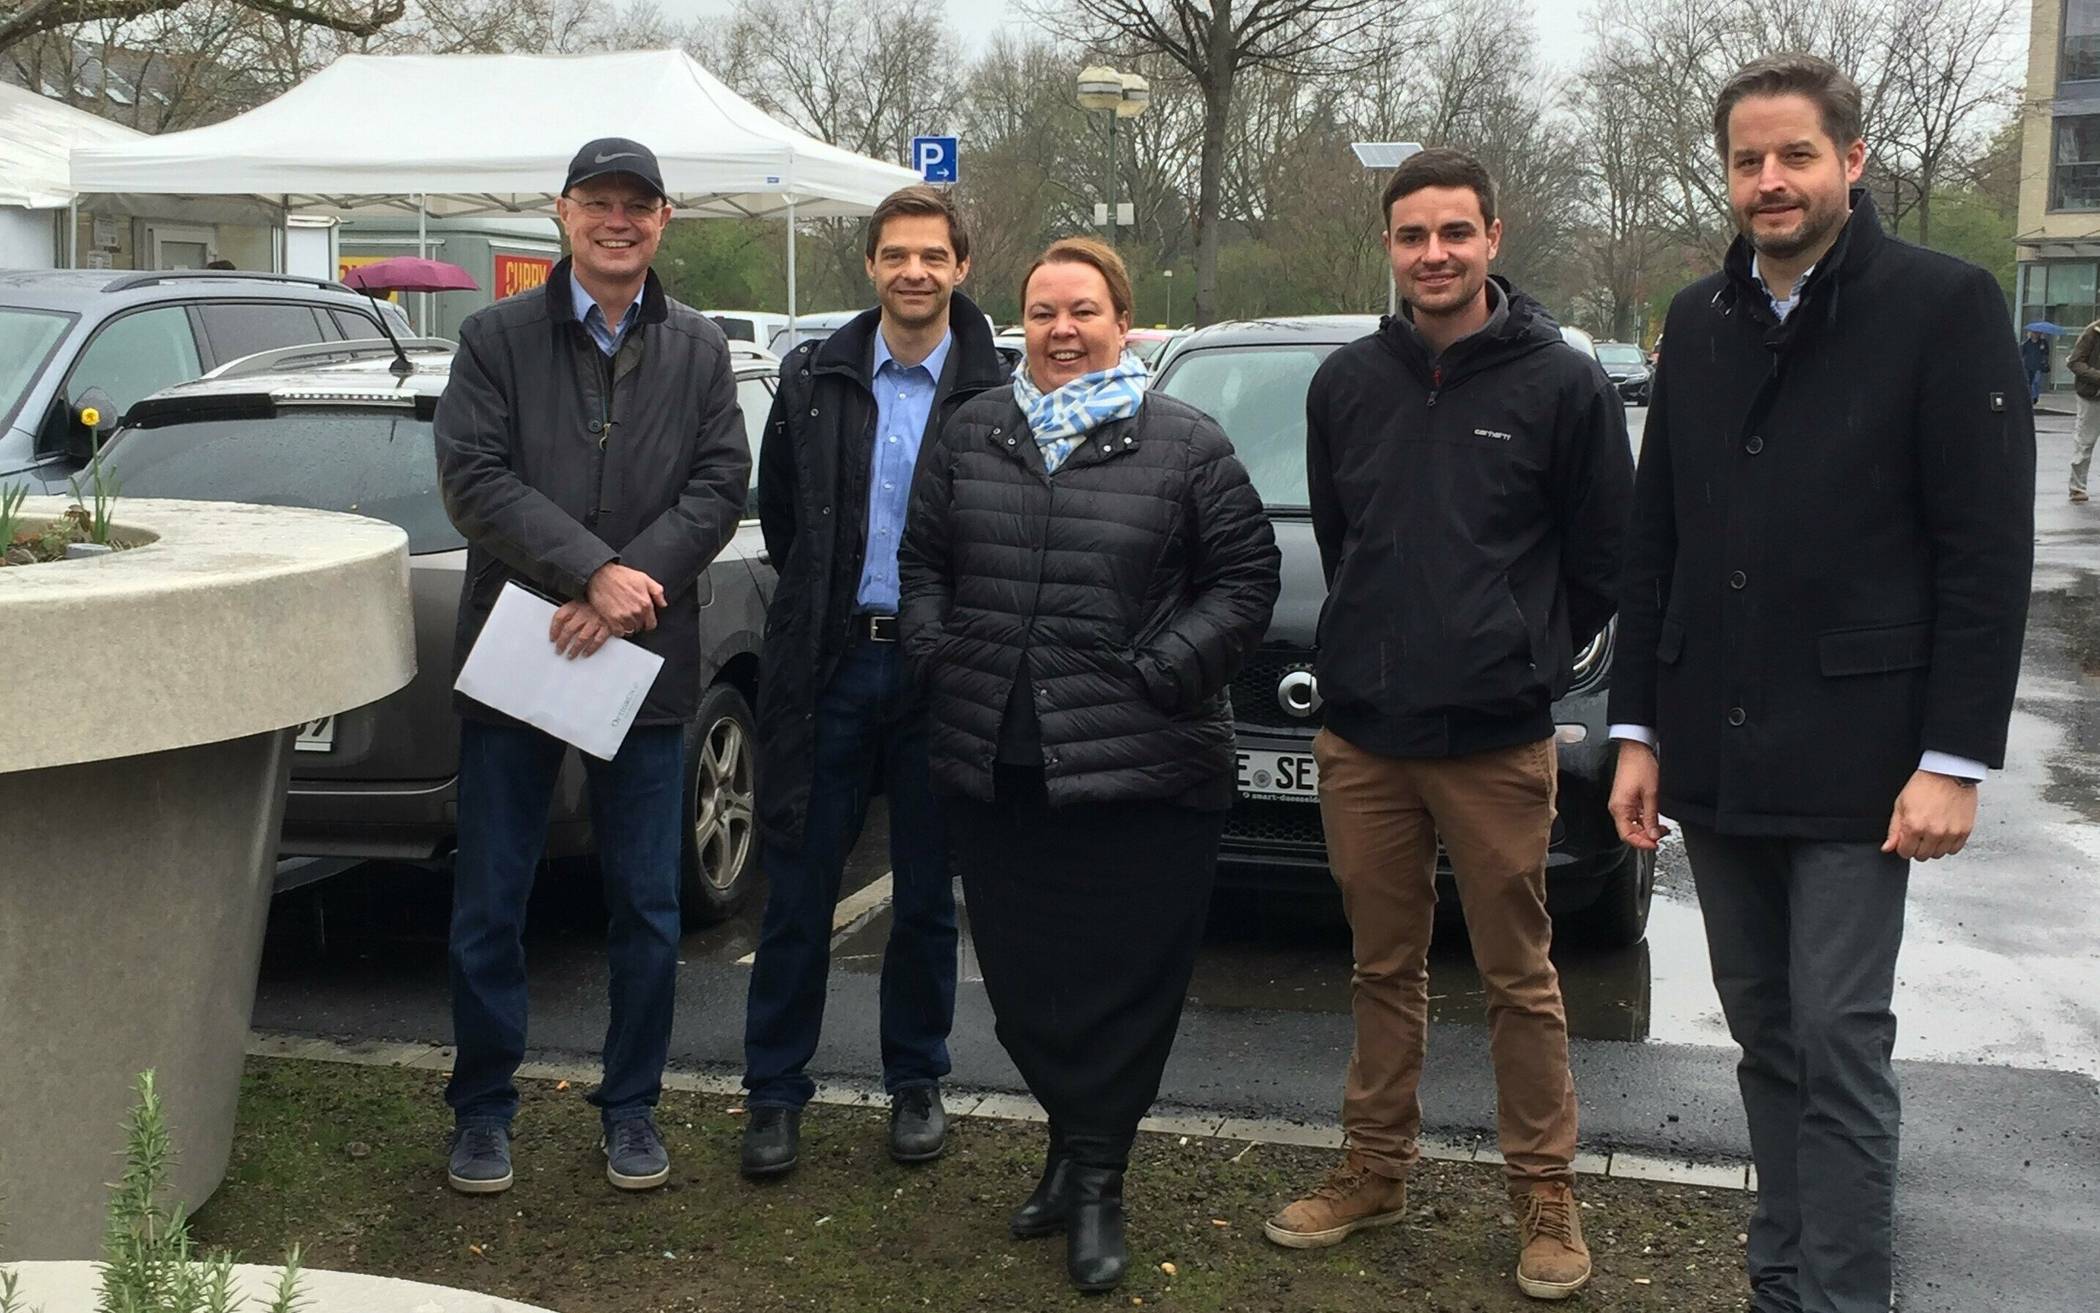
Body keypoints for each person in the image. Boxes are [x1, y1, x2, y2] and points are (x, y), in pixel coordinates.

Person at [1608, 55, 2033, 1313]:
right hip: (1718, 753)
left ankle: (1843, 1296)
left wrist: (1954, 756)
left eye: (1794, 155)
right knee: (1767, 1039)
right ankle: (1779, 1280)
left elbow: (1985, 550)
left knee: (1840, 1040)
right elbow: (1657, 538)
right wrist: (1638, 728)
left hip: (1868, 756)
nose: (1770, 180)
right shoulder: (1698, 318)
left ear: (1851, 160)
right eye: (1748, 160)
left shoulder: (1944, 305)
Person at [1266, 146, 1631, 1303]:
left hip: (1493, 737)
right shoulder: (1347, 383)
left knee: (1519, 971)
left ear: (1492, 238)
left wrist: (1514, 648)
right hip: (1365, 732)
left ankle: (1544, 1191)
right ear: (1390, 243)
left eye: (1454, 233)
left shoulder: (1560, 382)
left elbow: (1603, 556)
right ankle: (1376, 1167)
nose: (1434, 253)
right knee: (1383, 964)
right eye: (1413, 234)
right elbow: (1342, 531)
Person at [897, 237, 1279, 1293]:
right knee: (1026, 985)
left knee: (1125, 984)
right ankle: (1071, 1149)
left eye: (1084, 309)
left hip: (1147, 770)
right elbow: (924, 561)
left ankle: (1098, 1176)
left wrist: (1162, 671)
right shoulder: (975, 431)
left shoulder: (1185, 441)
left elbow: (1246, 580)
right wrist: (940, 653)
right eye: (1044, 310)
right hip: (1001, 762)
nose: (1062, 329)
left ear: (1125, 319)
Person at [432, 137, 750, 1196]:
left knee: (647, 906)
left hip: (644, 660)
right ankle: (481, 1108)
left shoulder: (701, 348)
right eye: (599, 203)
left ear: (665, 221)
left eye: (639, 206)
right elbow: (473, 479)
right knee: (492, 898)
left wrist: (628, 584)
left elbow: (718, 485)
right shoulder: (494, 337)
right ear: (562, 212)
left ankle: (633, 1106)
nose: (619, 221)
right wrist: (590, 571)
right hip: (523, 647)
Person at [740, 185, 1008, 1177]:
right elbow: (783, 525)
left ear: (961, 266)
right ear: (871, 265)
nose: (914, 271)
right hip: (831, 664)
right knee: (799, 890)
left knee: (929, 899)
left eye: (932, 255)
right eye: (896, 254)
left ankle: (916, 1081)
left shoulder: (997, 391)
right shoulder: (813, 377)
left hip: (942, 672)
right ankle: (773, 1092)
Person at [2066, 316, 2100, 502]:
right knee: (2085, 442)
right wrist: (2097, 376)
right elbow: (2074, 362)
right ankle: (2077, 488)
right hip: (2092, 396)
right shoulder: (2092, 332)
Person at [2020, 328, 2050, 405]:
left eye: (2038, 333)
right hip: (2028, 366)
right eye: (2034, 333)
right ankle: (2032, 396)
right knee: (2029, 382)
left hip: (2038, 366)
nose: (2036, 334)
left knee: (2036, 382)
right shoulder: (2026, 343)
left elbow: (2046, 353)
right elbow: (2022, 354)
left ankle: (2034, 397)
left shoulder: (2043, 343)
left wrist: (2043, 350)